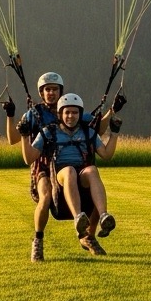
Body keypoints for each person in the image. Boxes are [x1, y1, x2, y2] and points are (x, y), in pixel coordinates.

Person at [1, 72, 111, 261]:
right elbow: (13, 139)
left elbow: (97, 128)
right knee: (45, 198)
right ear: (41, 93)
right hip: (42, 163)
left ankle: (87, 237)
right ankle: (38, 241)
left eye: (54, 89)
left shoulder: (69, 109)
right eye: (47, 90)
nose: (51, 93)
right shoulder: (34, 114)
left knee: (91, 192)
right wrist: (11, 115)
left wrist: (113, 111)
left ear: (60, 91)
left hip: (66, 163)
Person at [22, 92, 119, 256]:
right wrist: (25, 137)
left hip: (81, 177)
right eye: (67, 112)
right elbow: (29, 158)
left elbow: (106, 155)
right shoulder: (49, 132)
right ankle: (78, 218)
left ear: (80, 114)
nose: (71, 116)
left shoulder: (88, 133)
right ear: (60, 114)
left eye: (75, 112)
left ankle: (103, 216)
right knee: (69, 171)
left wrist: (114, 133)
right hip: (60, 177)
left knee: (92, 170)